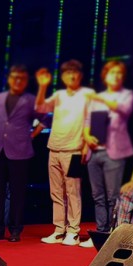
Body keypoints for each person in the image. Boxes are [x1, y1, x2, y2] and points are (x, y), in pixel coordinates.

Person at [35, 60, 94, 247]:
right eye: (68, 72)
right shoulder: (58, 95)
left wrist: (86, 146)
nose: (72, 75)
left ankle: (73, 232)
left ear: (80, 75)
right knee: (56, 192)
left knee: (73, 192)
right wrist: (42, 87)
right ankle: (59, 230)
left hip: (74, 150)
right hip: (54, 148)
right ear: (62, 76)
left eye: (75, 72)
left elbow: (91, 120)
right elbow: (40, 108)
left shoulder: (87, 94)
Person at [80, 60, 133, 248]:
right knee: (97, 195)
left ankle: (113, 233)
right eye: (112, 72)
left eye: (119, 73)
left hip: (114, 152)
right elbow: (87, 122)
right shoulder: (96, 98)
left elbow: (123, 110)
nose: (116, 76)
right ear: (105, 76)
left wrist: (100, 99)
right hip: (94, 151)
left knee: (113, 196)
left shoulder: (126, 95)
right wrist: (87, 138)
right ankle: (100, 232)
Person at [0, 65, 46, 242]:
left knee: (17, 193)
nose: (17, 81)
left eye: (21, 78)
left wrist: (32, 135)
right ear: (9, 79)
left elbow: (45, 118)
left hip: (20, 151)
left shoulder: (30, 100)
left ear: (26, 81)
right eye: (14, 77)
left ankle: (15, 230)